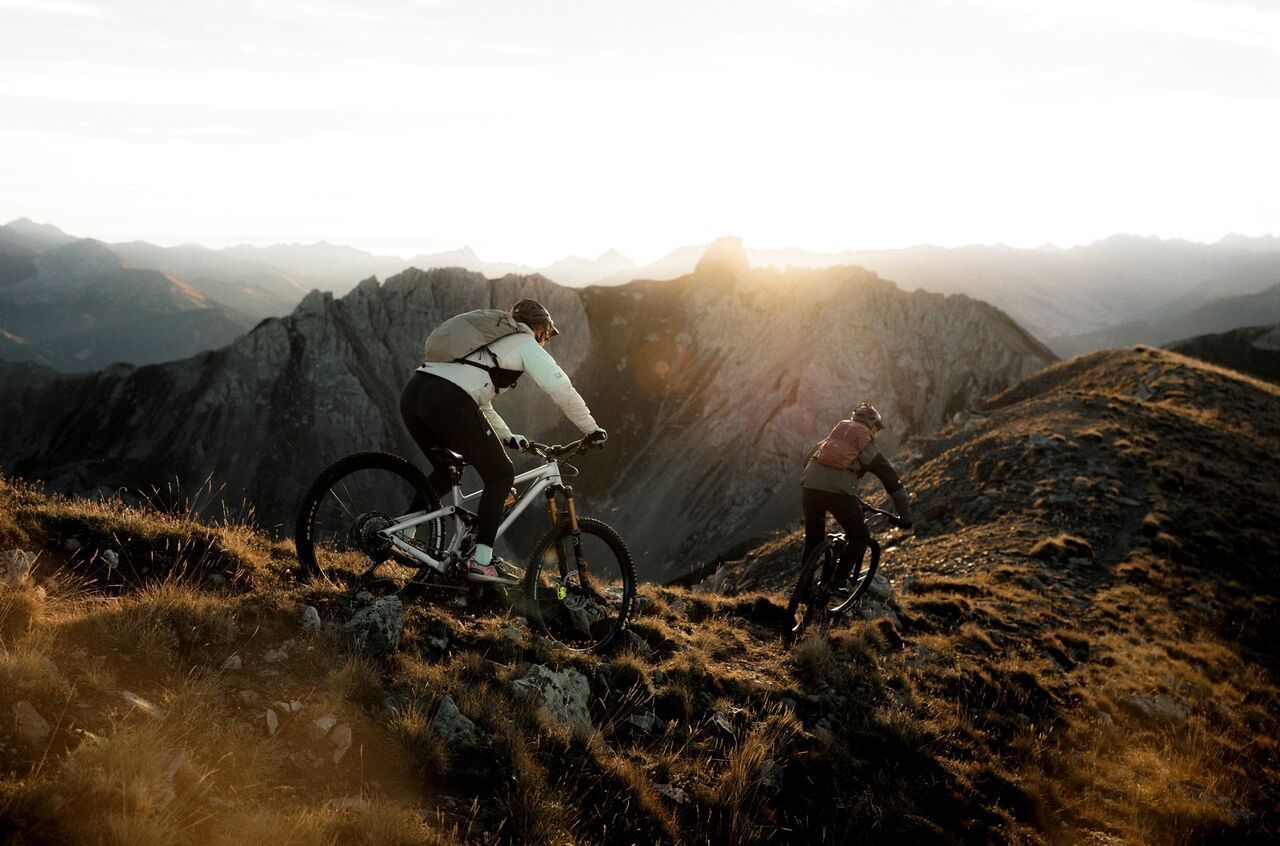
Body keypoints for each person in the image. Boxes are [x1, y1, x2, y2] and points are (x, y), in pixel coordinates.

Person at [399, 298, 607, 583]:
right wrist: (591, 428)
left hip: (415, 394)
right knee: (501, 474)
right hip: (448, 400)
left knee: (448, 467)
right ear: (537, 329)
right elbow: (560, 388)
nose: (546, 340)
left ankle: (403, 533)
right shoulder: (524, 343)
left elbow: (480, 402)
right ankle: (481, 561)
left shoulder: (491, 345)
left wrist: (510, 437)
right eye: (546, 334)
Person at [801, 402, 913, 588]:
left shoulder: (835, 436)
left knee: (813, 537)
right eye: (876, 430)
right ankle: (838, 581)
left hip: (810, 486)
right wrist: (905, 517)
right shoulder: (867, 446)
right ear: (873, 426)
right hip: (838, 493)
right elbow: (893, 483)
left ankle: (803, 590)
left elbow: (806, 460)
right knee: (860, 537)